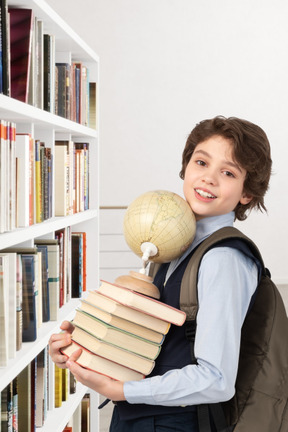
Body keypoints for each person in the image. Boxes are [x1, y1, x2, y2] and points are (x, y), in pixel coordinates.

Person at [49, 115, 272, 431]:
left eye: (228, 172)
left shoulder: (223, 258)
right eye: (201, 162)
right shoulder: (174, 243)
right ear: (186, 167)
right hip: (139, 414)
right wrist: (81, 348)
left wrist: (123, 390)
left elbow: (216, 379)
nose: (209, 178)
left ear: (246, 193)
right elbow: (153, 341)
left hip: (176, 422)